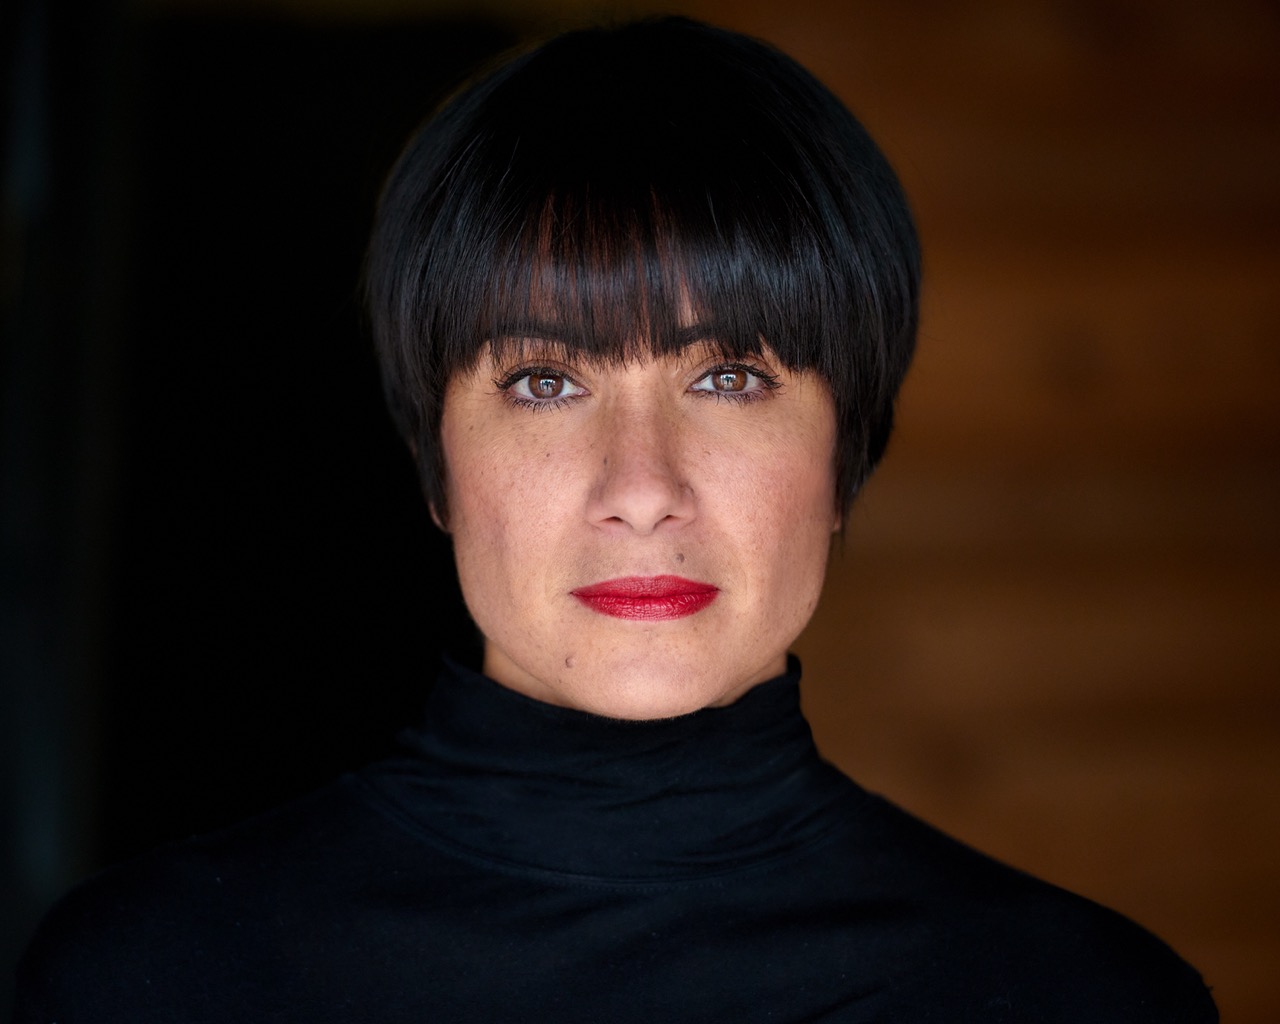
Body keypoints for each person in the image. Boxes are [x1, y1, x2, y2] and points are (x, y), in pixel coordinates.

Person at [13, 17, 1216, 1023]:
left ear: (844, 461)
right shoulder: (149, 980)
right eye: (544, 380)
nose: (640, 484)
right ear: (437, 468)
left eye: (728, 378)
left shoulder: (1081, 997)